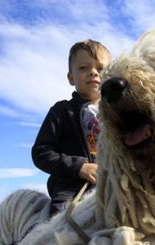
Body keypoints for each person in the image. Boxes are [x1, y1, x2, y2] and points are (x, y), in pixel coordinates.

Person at [32, 39, 111, 216]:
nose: (93, 73)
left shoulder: (118, 113)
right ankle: (25, 244)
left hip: (113, 182)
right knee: (59, 222)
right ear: (70, 78)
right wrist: (79, 167)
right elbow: (41, 152)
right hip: (72, 186)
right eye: (84, 68)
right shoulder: (61, 111)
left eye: (101, 68)